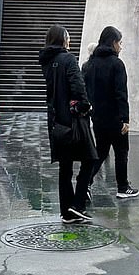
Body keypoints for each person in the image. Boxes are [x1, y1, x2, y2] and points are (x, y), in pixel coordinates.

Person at [38, 24, 96, 223]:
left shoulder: (47, 62)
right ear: (62, 39)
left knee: (65, 166)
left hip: (56, 122)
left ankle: (67, 211)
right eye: (68, 38)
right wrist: (84, 105)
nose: (69, 41)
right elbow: (78, 86)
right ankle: (78, 204)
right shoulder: (68, 59)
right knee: (90, 159)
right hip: (73, 121)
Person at [82, 26, 139, 200]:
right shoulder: (117, 64)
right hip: (115, 118)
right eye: (120, 43)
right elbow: (121, 93)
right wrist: (125, 119)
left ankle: (85, 183)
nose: (121, 47)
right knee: (121, 152)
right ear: (113, 43)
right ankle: (123, 187)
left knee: (101, 151)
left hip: (98, 118)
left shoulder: (89, 64)